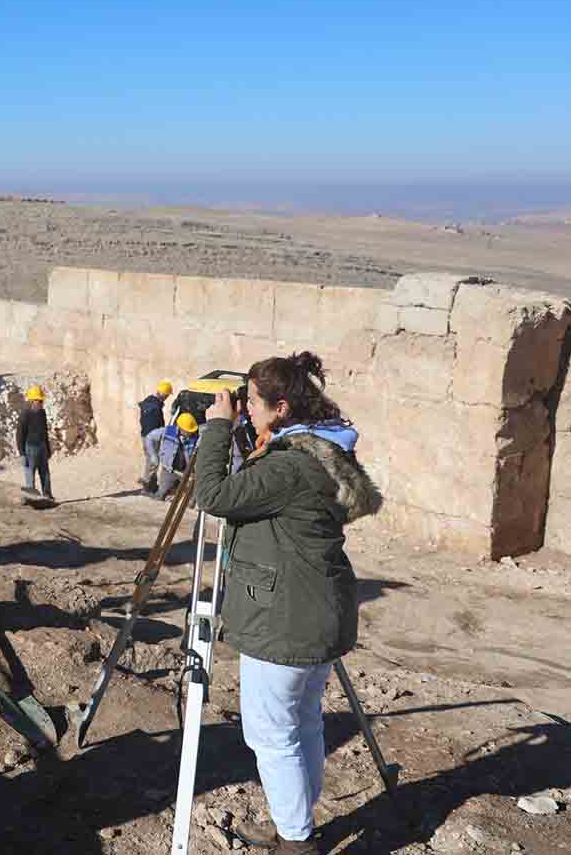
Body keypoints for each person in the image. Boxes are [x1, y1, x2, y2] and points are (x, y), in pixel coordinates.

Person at [195, 352, 381, 855]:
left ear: (280, 407)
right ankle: (294, 824)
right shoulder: (318, 451)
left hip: (285, 619)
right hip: (315, 611)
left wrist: (215, 429)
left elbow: (213, 495)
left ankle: (297, 844)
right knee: (302, 723)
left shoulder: (291, 467)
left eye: (251, 402)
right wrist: (241, 436)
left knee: (272, 734)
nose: (244, 409)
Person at [16, 384, 54, 499]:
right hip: (30, 448)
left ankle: (47, 496)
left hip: (41, 446)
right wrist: (22, 454)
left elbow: (45, 431)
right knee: (30, 474)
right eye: (39, 401)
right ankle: (31, 498)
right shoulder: (24, 415)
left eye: (42, 401)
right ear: (32, 401)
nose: (41, 403)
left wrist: (47, 448)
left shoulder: (42, 413)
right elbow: (19, 435)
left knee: (45, 473)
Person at [138, 380, 174, 490]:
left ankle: (151, 484)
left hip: (144, 435)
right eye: (167, 395)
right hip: (152, 438)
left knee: (150, 459)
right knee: (153, 461)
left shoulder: (148, 403)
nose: (167, 397)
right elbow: (155, 426)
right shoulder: (155, 407)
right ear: (163, 394)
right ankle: (147, 485)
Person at [155, 412, 200, 499]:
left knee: (192, 500)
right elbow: (150, 437)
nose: (191, 432)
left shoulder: (196, 439)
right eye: (189, 430)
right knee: (160, 495)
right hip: (169, 470)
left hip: (186, 473)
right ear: (181, 428)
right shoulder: (168, 431)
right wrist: (154, 455)